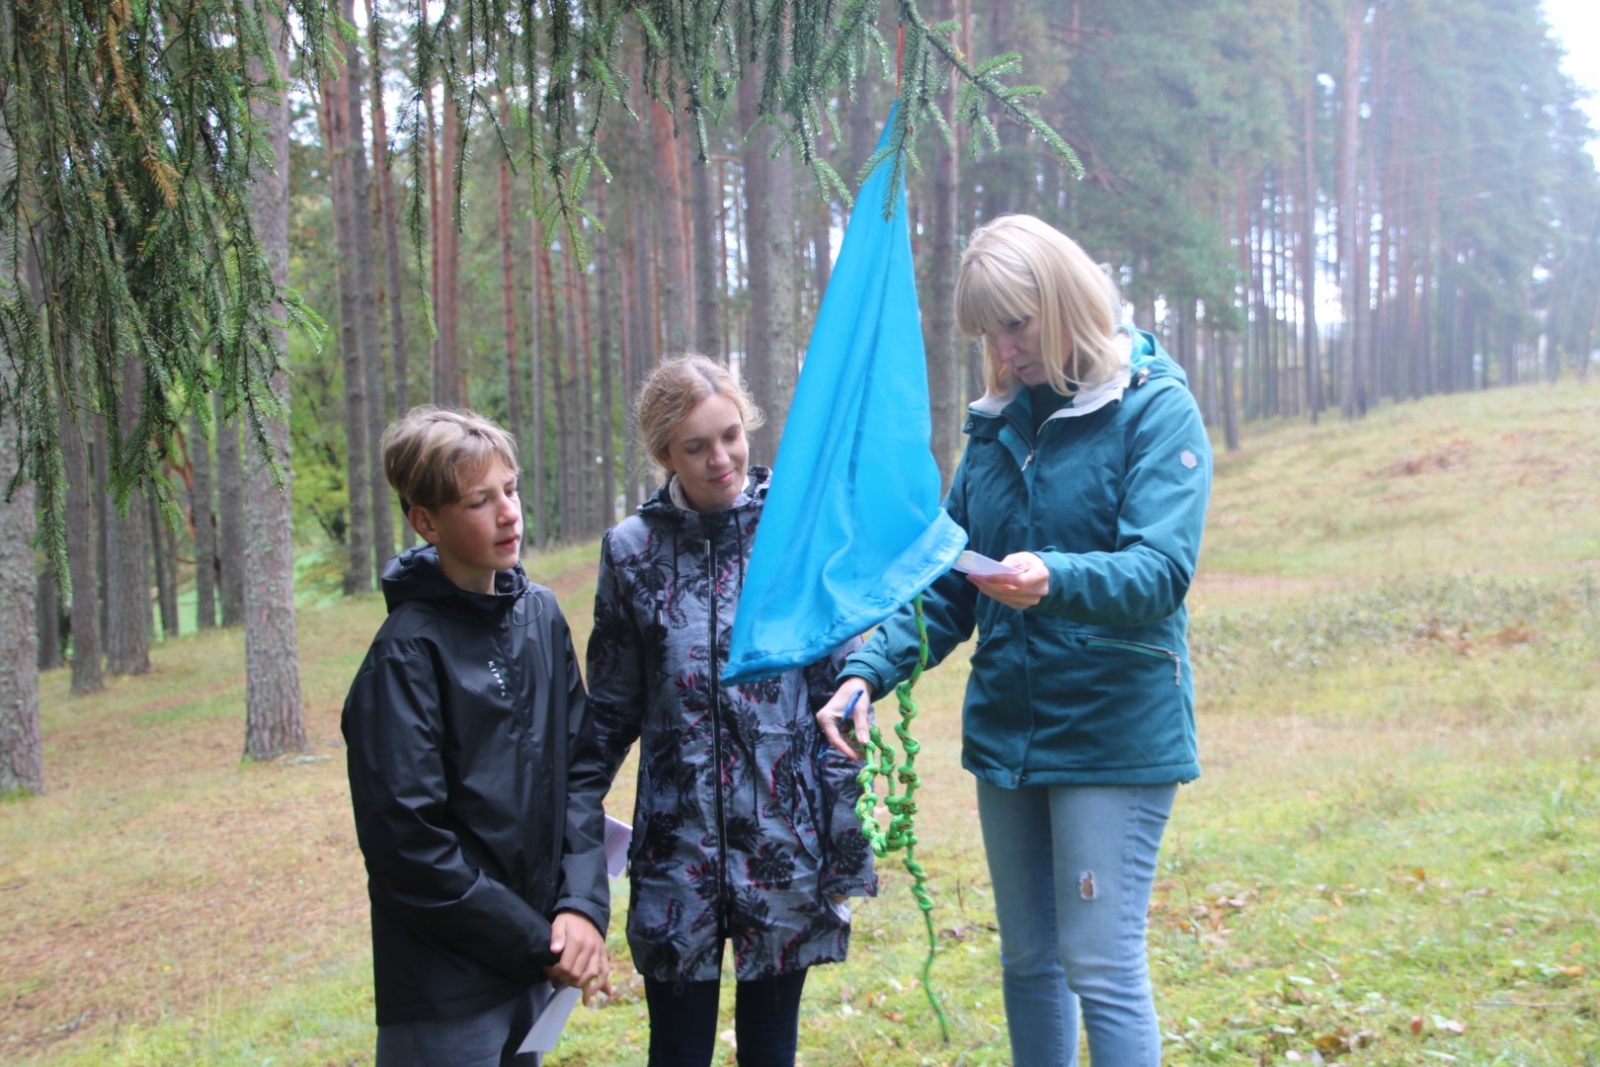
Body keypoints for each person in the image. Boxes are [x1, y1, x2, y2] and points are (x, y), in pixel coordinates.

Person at [818, 214, 1213, 1066]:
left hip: (1113, 733)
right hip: (1009, 735)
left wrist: (1053, 577)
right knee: (1029, 960)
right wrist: (865, 673)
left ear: (1065, 300)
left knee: (1101, 965)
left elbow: (1160, 571)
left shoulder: (1154, 409)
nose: (1003, 350)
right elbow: (947, 586)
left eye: (1016, 323)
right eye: (989, 331)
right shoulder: (994, 430)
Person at [586, 355, 876, 1067]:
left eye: (730, 435)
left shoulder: (796, 536)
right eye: (696, 446)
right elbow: (610, 707)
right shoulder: (631, 553)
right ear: (664, 455)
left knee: (770, 1051)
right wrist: (557, 820)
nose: (720, 458)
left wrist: (843, 846)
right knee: (677, 1051)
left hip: (784, 846)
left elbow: (835, 703)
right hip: (675, 853)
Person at [342, 406, 611, 1067]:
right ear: (425, 520)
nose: (508, 513)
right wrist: (541, 942)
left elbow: (578, 773)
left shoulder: (540, 616)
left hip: (532, 967)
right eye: (478, 500)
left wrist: (579, 905)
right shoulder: (405, 657)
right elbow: (411, 848)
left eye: (511, 490)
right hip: (447, 989)